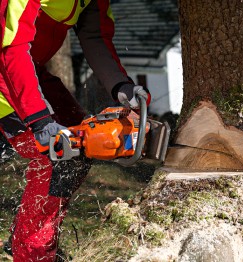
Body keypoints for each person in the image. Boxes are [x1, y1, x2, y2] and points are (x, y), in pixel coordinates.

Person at [0, 0, 151, 261]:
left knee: (79, 145)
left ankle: (28, 238)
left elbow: (95, 36)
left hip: (29, 68)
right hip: (7, 67)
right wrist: (39, 120)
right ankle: (31, 253)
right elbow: (10, 45)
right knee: (55, 155)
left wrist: (120, 86)